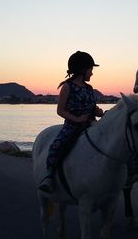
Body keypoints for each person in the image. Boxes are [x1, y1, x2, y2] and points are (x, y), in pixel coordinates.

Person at [38, 51, 104, 193]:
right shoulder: (67, 87)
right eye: (91, 69)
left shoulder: (89, 88)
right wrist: (77, 119)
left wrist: (98, 111)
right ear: (83, 69)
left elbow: (92, 107)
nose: (92, 73)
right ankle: (49, 177)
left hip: (91, 123)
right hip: (73, 125)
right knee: (57, 145)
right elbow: (60, 110)